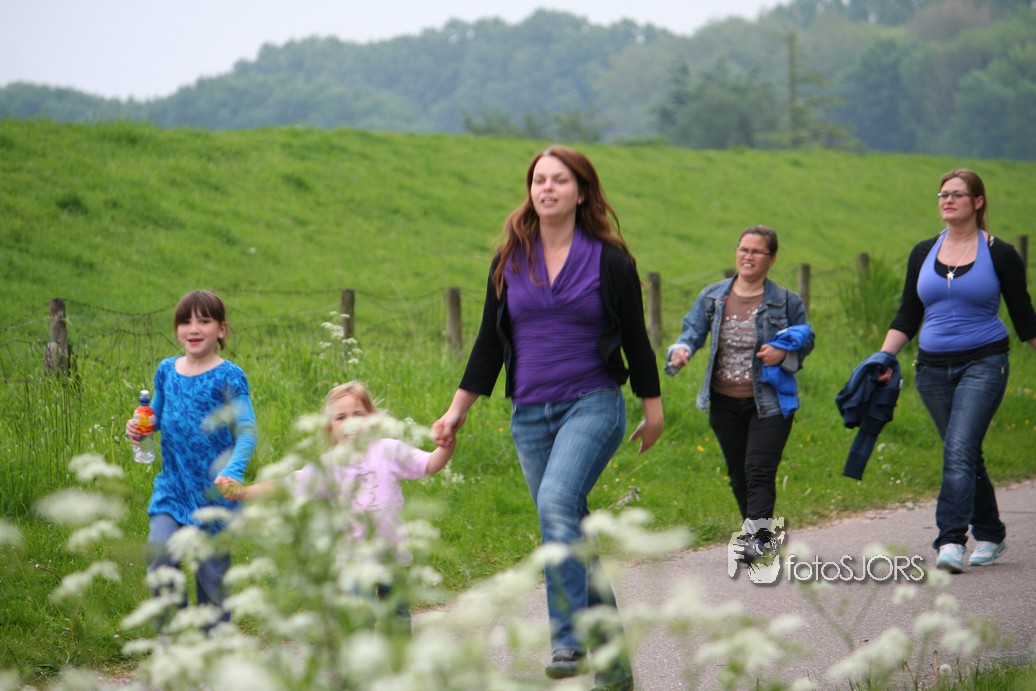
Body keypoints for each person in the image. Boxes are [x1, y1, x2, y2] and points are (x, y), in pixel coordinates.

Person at [433, 146, 662, 691]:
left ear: (581, 192)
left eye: (560, 180)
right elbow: (489, 344)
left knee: (557, 505)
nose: (548, 188)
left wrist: (652, 410)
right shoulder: (509, 260)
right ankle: (615, 670)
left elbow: (636, 339)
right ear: (530, 190)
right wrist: (456, 410)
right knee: (571, 532)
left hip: (593, 404)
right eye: (539, 180)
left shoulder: (610, 262)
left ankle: (568, 640)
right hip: (530, 415)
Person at [875, 168, 1036, 574]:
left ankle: (950, 540)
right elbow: (908, 314)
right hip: (931, 370)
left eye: (957, 194)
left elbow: (1024, 318)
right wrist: (883, 358)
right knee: (964, 452)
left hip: (984, 363)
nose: (947, 200)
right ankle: (992, 533)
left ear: (977, 202)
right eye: (942, 194)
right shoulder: (923, 253)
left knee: (959, 450)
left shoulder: (1000, 254)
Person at [221, 380, 454, 635]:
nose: (350, 423)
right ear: (329, 428)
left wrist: (446, 446)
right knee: (358, 624)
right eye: (340, 417)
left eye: (358, 414)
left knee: (397, 621)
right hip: (351, 564)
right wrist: (244, 492)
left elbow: (429, 464)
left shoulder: (388, 450)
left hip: (393, 558)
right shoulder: (328, 466)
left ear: (372, 419)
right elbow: (286, 486)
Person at [665, 225, 814, 561]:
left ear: (771, 258)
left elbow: (806, 340)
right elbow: (692, 332)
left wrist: (783, 354)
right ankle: (760, 533)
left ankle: (757, 541)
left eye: (757, 251)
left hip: (770, 402)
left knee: (758, 470)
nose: (748, 256)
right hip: (723, 402)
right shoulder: (713, 296)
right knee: (738, 475)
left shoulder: (786, 302)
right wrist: (682, 350)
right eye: (743, 249)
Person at [124, 289, 257, 630]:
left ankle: (213, 647)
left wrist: (234, 470)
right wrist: (139, 426)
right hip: (174, 489)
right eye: (185, 322)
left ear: (221, 330)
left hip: (213, 495)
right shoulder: (167, 371)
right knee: (160, 558)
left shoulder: (229, 376)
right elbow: (155, 415)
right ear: (177, 329)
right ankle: (174, 633)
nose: (193, 329)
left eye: (204, 321)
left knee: (211, 580)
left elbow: (247, 431)